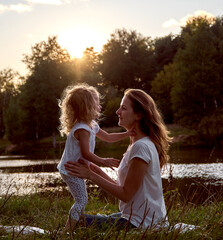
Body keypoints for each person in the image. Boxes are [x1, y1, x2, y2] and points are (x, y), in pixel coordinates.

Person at [65, 88, 172, 230]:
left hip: (142, 223)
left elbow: (126, 195)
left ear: (138, 115)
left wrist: (90, 175)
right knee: (87, 218)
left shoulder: (141, 147)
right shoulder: (136, 144)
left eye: (123, 108)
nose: (117, 112)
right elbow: (122, 187)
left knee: (80, 222)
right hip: (137, 217)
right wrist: (95, 169)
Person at [57, 84, 133, 230]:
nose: (99, 107)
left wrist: (126, 134)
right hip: (71, 170)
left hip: (77, 166)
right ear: (88, 107)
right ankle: (67, 231)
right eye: (96, 104)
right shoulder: (82, 129)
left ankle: (80, 225)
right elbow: (86, 154)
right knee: (81, 200)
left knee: (81, 200)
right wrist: (103, 161)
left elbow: (109, 137)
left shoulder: (91, 125)